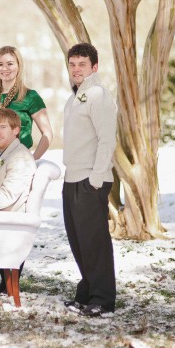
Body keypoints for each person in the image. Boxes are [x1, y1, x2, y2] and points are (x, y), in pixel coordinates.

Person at [0, 45, 53, 293]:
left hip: (17, 163)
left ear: (19, 66)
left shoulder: (30, 97)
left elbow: (47, 134)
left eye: (10, 63)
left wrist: (31, 160)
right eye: (0, 63)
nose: (5, 68)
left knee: (13, 217)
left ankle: (11, 280)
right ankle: (2, 277)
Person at [61, 43, 117, 318]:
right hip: (72, 178)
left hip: (89, 180)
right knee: (79, 241)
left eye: (82, 64)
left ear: (95, 67)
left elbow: (107, 139)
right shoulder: (76, 97)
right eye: (72, 64)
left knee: (94, 242)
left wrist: (96, 179)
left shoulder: (98, 95)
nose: (76, 69)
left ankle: (104, 299)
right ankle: (87, 292)